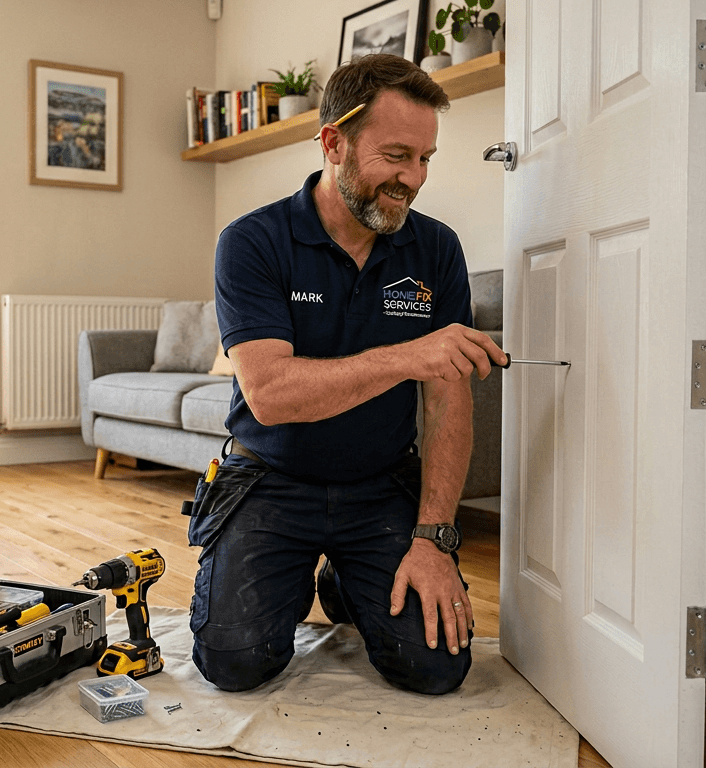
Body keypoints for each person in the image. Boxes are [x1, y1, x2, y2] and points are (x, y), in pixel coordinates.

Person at [188, 53, 507, 695]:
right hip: (269, 477)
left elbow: (448, 407)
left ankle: (345, 578)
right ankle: (293, 572)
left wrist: (433, 539)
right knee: (236, 661)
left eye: (425, 159)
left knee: (435, 668)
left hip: (380, 483)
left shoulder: (436, 249)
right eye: (396, 156)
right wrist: (408, 355)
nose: (413, 178)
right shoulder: (252, 242)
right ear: (334, 143)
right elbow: (271, 396)